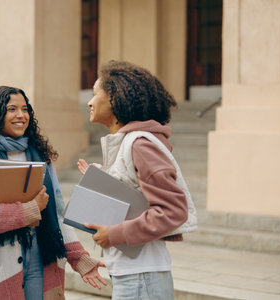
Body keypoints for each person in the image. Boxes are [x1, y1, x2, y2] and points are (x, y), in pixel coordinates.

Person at [0, 85, 107, 300]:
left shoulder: (41, 157)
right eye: (11, 109)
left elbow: (57, 215)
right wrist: (29, 210)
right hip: (3, 267)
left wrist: (79, 258)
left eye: (25, 109)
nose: (21, 115)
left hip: (44, 260)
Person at [78, 60, 197, 300]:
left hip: (141, 276)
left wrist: (114, 235)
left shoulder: (140, 144)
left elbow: (173, 210)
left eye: (94, 94)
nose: (89, 102)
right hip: (134, 274)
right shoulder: (131, 143)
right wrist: (103, 179)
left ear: (114, 98)